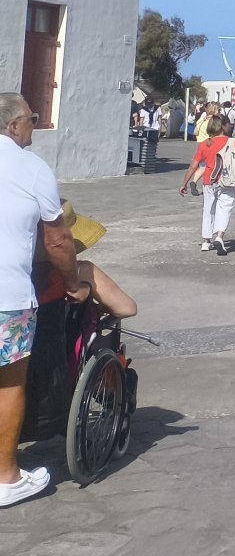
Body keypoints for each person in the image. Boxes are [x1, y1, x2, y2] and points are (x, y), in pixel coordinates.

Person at [0, 92, 83, 508]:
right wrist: (73, 283)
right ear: (14, 126)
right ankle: (6, 478)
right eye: (32, 118)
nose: (35, 123)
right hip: (7, 295)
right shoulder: (31, 168)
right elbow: (58, 239)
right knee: (9, 384)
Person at [180, 116, 235, 255]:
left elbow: (193, 166)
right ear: (223, 127)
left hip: (209, 180)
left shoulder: (204, 144)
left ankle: (206, 241)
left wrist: (184, 183)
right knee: (225, 208)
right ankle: (219, 236)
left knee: (208, 209)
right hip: (228, 181)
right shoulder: (233, 142)